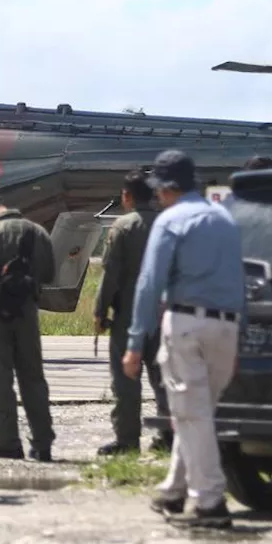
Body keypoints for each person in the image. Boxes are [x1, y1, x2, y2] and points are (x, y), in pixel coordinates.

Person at [124, 149, 245, 529]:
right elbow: (240, 280)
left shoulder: (171, 221)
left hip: (187, 323)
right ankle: (174, 490)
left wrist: (134, 341)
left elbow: (149, 284)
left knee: (191, 414)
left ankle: (210, 502)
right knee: (195, 412)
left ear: (164, 188)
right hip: (227, 327)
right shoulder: (225, 219)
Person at [0, 188, 56, 462]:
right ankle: (42, 444)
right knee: (33, 377)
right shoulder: (38, 233)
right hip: (27, 312)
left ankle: (7, 443)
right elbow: (50, 273)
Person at [94, 170, 172, 456]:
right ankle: (168, 435)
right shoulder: (168, 224)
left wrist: (100, 311)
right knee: (164, 378)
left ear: (127, 196)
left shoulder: (123, 227)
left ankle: (127, 439)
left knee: (126, 380)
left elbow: (110, 274)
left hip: (129, 314)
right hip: (166, 314)